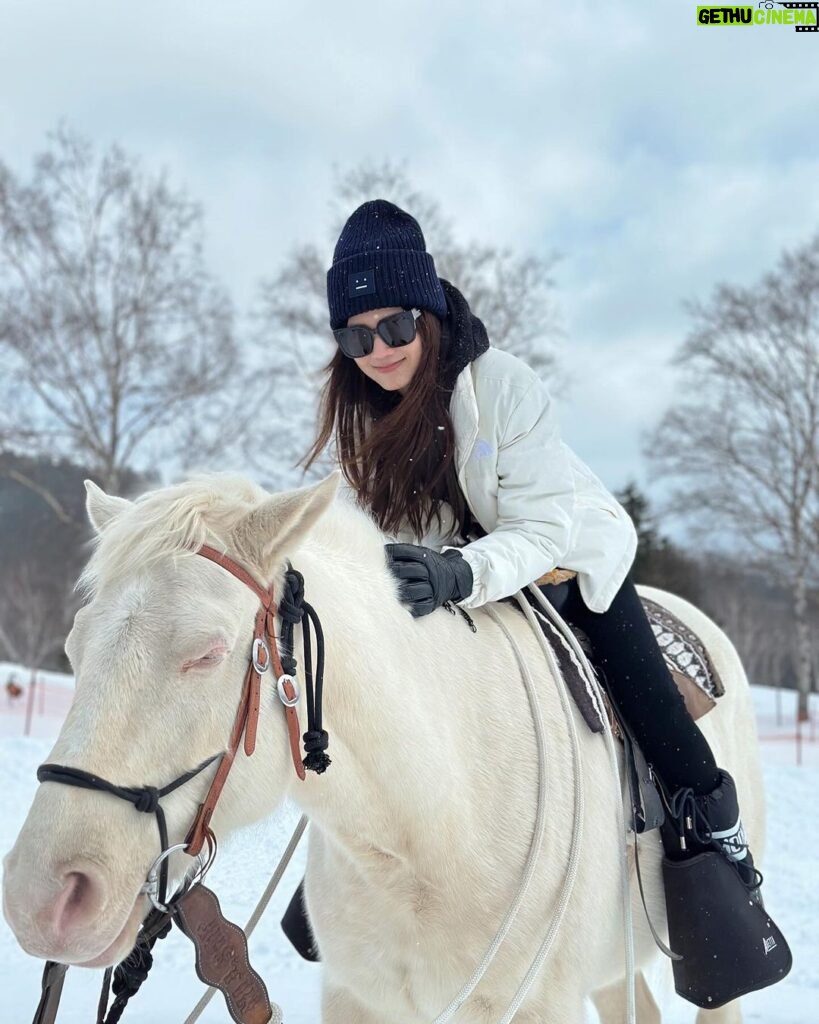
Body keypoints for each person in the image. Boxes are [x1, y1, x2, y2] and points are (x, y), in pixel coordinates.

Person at [289, 199, 789, 1002]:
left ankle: (718, 850)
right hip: (458, 592)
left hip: (565, 570)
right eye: (355, 334)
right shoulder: (361, 424)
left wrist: (459, 573)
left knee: (651, 708)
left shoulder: (500, 386)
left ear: (430, 314)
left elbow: (543, 529)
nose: (377, 349)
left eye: (394, 326)